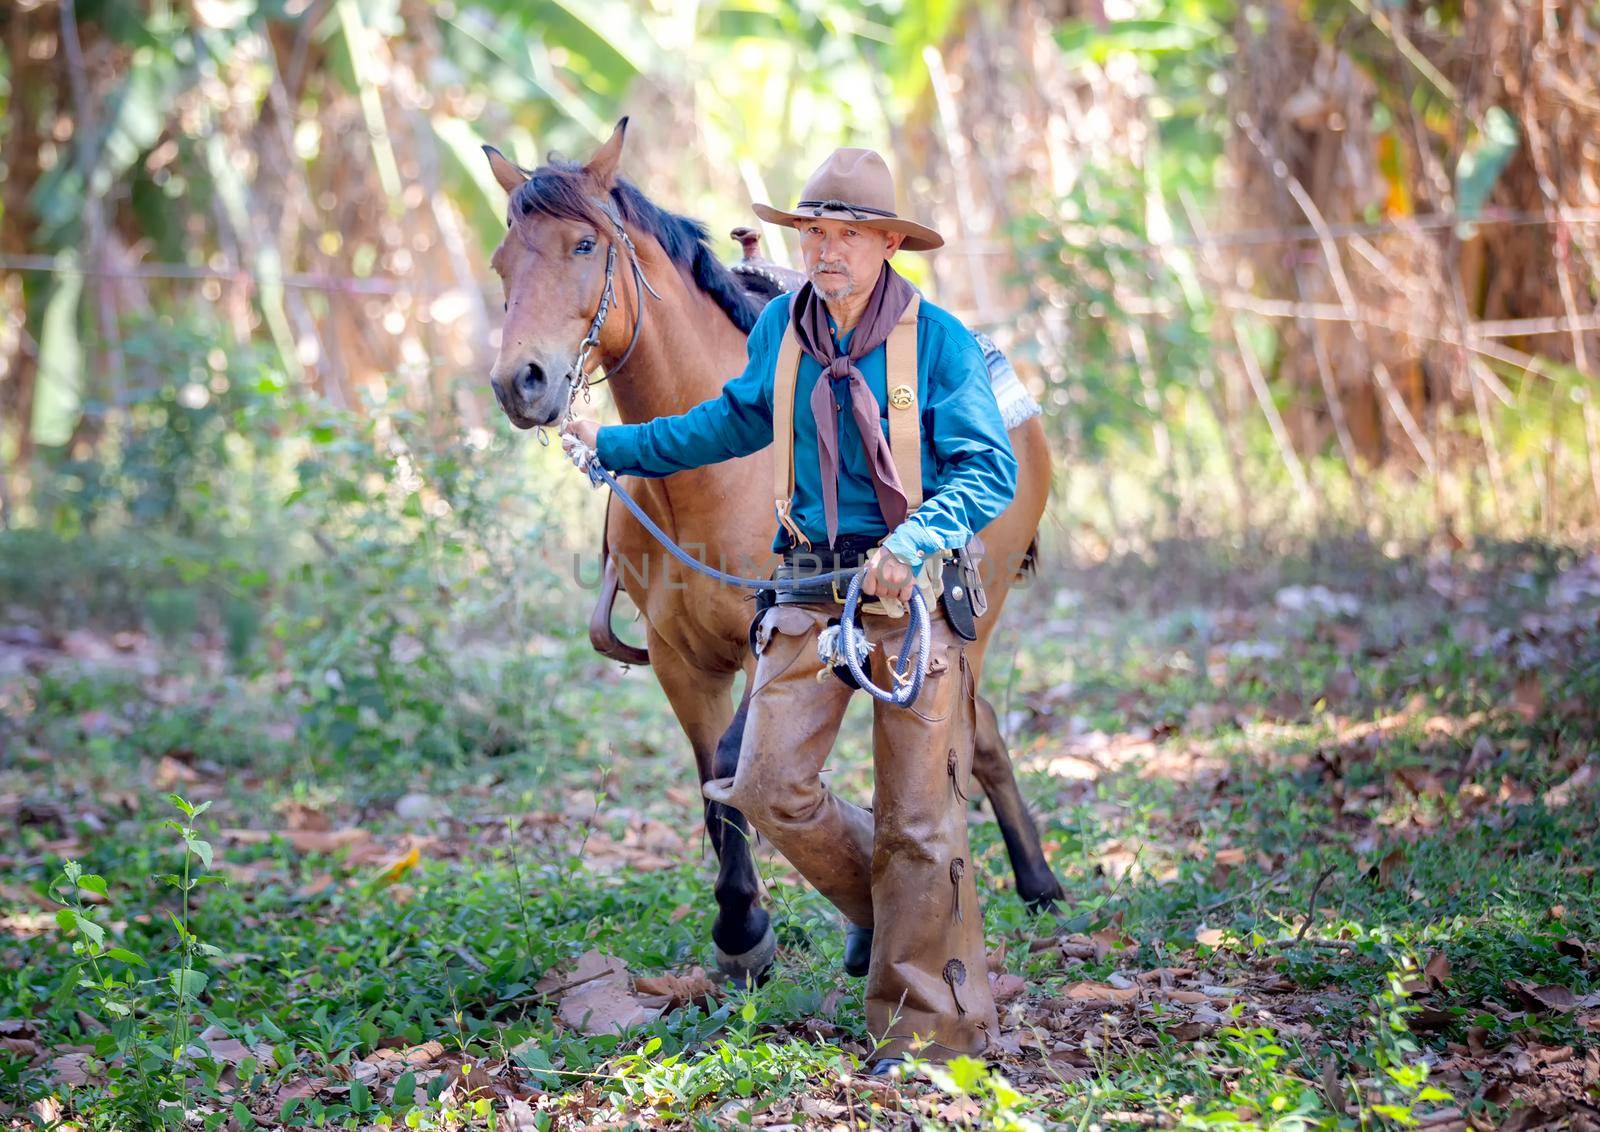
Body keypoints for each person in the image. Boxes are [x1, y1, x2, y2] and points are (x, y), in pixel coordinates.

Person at [561, 147, 1017, 1073]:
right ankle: (888, 915)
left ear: (889, 243)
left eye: (846, 234)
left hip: (909, 597)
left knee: (920, 822)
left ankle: (924, 1032)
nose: (825, 250)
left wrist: (913, 542)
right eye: (813, 233)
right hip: (807, 592)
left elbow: (990, 469)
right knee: (765, 786)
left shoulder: (939, 343)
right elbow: (728, 422)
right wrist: (610, 444)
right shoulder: (783, 331)